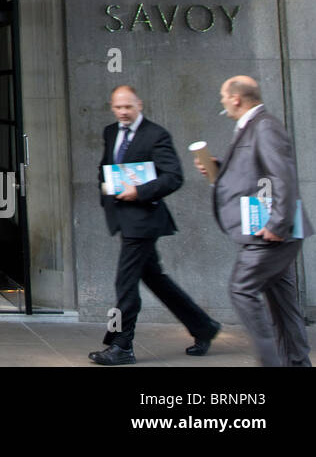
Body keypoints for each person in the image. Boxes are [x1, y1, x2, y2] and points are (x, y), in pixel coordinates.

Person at [89, 85, 219, 365]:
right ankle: (203, 327)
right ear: (112, 107)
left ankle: (122, 345)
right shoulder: (111, 131)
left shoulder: (156, 134)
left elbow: (173, 177)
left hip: (145, 219)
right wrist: (105, 184)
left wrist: (139, 191)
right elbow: (107, 165)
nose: (123, 112)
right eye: (118, 107)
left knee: (125, 282)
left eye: (128, 107)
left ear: (140, 105)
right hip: (123, 216)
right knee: (156, 279)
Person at [197, 76, 312, 367]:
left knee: (241, 288)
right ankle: (297, 363)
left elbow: (281, 176)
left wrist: (277, 224)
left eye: (224, 95)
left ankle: (271, 362)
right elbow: (256, 172)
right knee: (284, 305)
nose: (222, 101)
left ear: (236, 98)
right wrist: (220, 167)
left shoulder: (265, 126)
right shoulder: (254, 126)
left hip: (270, 232)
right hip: (272, 229)